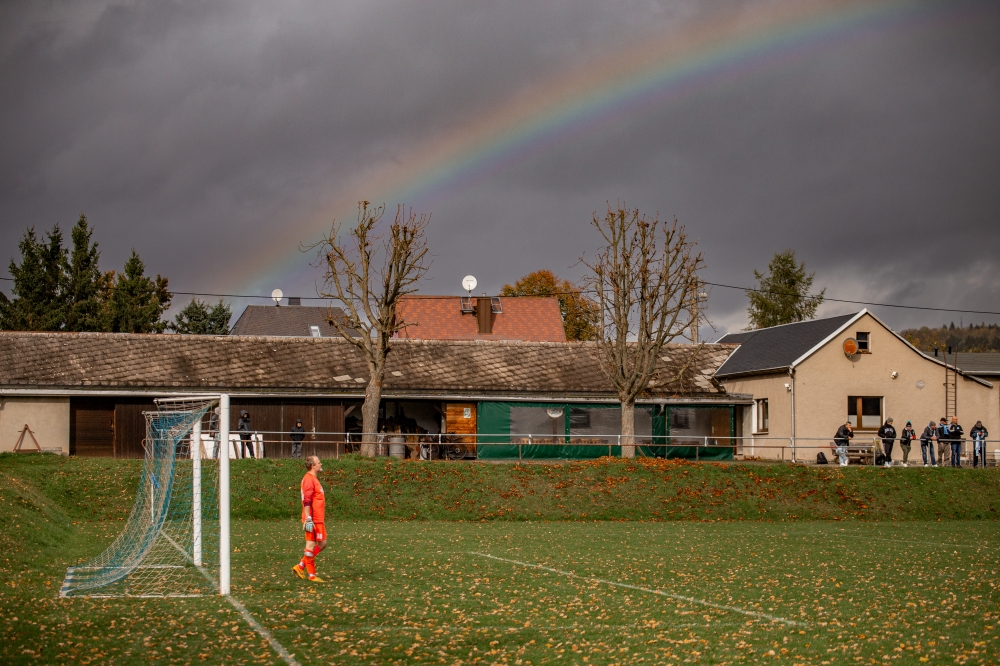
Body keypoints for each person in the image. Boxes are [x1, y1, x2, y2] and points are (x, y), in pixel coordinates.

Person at [292, 455, 327, 583]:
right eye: (319, 462)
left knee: (322, 543)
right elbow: (306, 500)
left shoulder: (313, 479)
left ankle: (301, 566)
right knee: (310, 545)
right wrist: (308, 518)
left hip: (319, 518)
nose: (320, 464)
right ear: (313, 466)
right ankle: (312, 575)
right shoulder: (308, 479)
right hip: (313, 518)